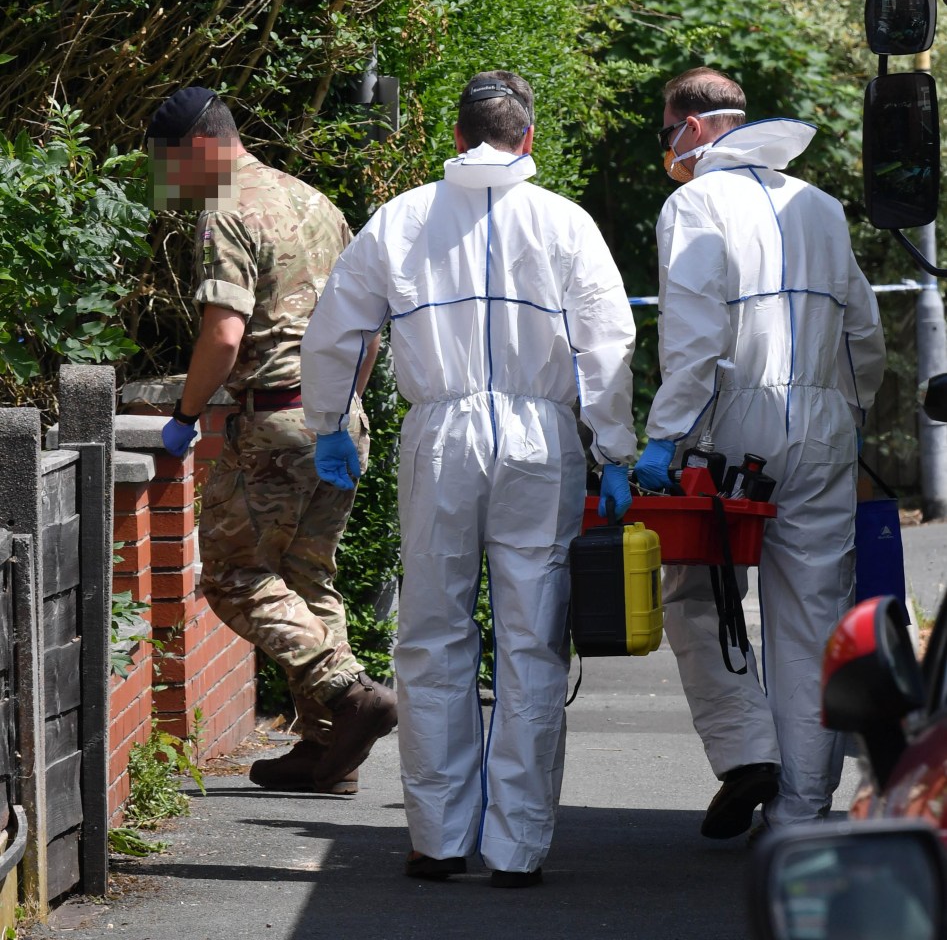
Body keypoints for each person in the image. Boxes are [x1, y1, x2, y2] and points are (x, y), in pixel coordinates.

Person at [300, 70, 637, 886]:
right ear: (527, 138)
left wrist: (326, 424)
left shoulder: (403, 217)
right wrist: (616, 447)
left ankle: (439, 837)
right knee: (531, 638)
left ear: (455, 137)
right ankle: (517, 848)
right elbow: (606, 338)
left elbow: (336, 326)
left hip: (440, 433)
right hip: (540, 436)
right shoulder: (565, 221)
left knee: (431, 633)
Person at [633, 67, 886, 838]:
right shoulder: (819, 205)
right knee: (810, 617)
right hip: (821, 418)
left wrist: (662, 437)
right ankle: (800, 814)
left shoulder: (695, 202)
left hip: (730, 425)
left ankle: (747, 748)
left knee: (693, 591)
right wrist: (849, 411)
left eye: (666, 131)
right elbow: (863, 329)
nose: (667, 148)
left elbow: (696, 336)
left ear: (695, 126)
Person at [147, 86, 396, 797]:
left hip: (274, 423)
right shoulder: (315, 202)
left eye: (170, 163)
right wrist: (343, 405)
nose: (172, 181)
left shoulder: (227, 211)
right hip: (338, 421)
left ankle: (344, 692)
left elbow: (223, 335)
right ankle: (328, 752)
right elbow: (367, 324)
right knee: (307, 573)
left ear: (199, 145)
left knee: (233, 577)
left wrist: (188, 414)